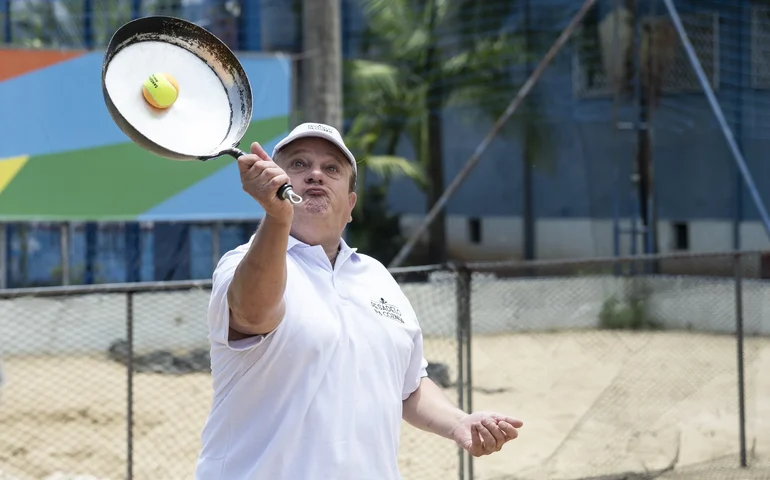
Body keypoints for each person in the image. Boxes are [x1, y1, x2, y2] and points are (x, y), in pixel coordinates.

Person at [195, 123, 523, 479]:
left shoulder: (376, 275)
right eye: (299, 164)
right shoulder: (240, 264)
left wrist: (458, 422)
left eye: (332, 168)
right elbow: (253, 314)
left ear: (350, 205)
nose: (316, 174)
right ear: (274, 182)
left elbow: (409, 386)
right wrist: (277, 217)